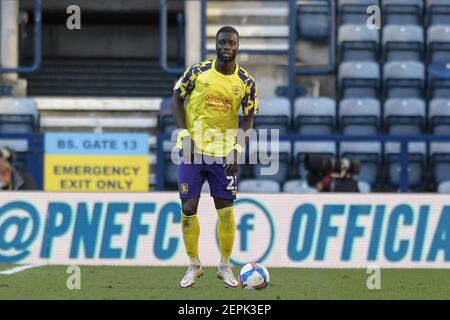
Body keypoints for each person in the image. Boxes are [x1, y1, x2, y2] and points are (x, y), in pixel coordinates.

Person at [171, 26, 258, 288]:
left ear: (237, 46)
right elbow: (176, 98)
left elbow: (248, 119)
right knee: (188, 209)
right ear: (216, 45)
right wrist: (184, 133)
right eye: (222, 42)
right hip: (193, 151)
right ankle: (194, 265)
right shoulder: (197, 73)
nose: (226, 46)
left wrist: (237, 148)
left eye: (231, 42)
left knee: (226, 212)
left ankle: (225, 266)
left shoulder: (246, 83)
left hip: (223, 155)